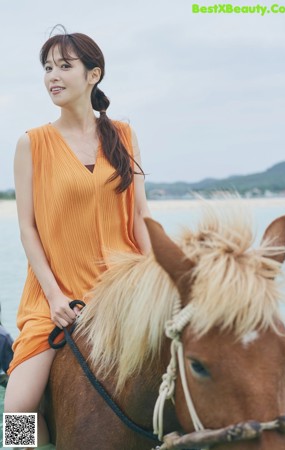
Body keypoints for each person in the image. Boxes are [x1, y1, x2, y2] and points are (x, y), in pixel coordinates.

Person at [4, 26, 151, 449]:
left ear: (93, 74)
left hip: (122, 293)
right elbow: (28, 228)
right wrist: (53, 297)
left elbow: (141, 216)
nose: (53, 75)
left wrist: (157, 274)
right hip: (56, 297)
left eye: (65, 66)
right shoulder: (31, 144)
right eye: (47, 67)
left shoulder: (123, 134)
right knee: (17, 409)